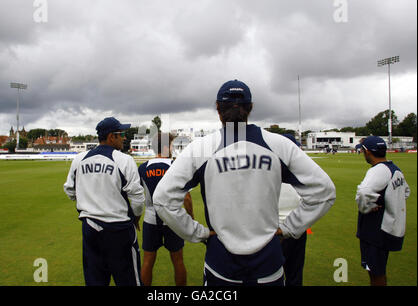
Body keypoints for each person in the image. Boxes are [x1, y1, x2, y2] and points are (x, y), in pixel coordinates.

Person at [152, 79, 336, 286]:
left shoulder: (201, 148)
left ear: (218, 108)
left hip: (221, 262)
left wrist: (198, 233)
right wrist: (290, 228)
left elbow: (162, 199)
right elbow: (325, 191)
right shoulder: (279, 144)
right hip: (269, 263)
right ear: (250, 108)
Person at [63, 117, 145, 286]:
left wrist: (89, 201)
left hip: (90, 228)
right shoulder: (124, 160)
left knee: (96, 280)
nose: (124, 137)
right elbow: (137, 197)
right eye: (120, 134)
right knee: (129, 280)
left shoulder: (79, 159)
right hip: (119, 230)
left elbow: (70, 190)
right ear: (110, 137)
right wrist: (136, 218)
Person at [138, 132, 194, 286]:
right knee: (178, 260)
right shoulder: (176, 166)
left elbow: (137, 195)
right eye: (171, 145)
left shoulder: (142, 168)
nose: (172, 148)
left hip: (150, 220)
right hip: (173, 221)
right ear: (165, 146)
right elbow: (187, 198)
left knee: (148, 261)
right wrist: (191, 217)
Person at [356, 136, 410, 286]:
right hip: (389, 226)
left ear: (367, 151)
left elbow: (363, 193)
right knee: (378, 269)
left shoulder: (378, 171)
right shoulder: (395, 169)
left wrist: (366, 207)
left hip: (376, 228)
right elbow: (406, 192)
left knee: (375, 272)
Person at [278, 134, 307, 286]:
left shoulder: (265, 169)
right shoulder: (303, 172)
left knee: (271, 274)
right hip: (296, 229)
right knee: (294, 275)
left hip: (275, 230)